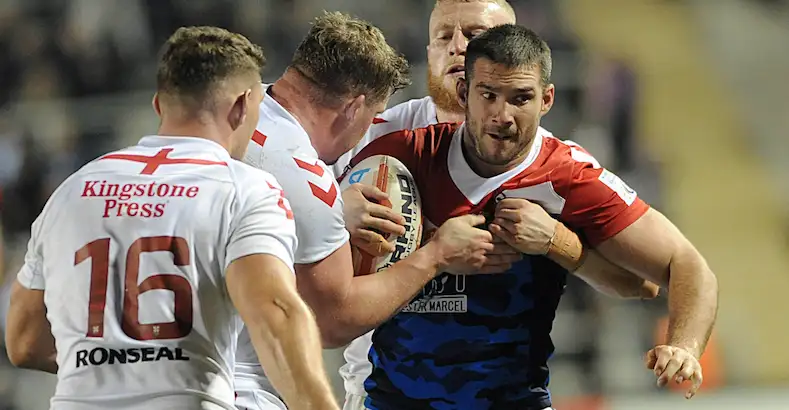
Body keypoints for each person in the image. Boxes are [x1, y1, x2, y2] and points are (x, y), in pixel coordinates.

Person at [338, 24, 719, 410]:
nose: (503, 115)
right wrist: (340, 210)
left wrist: (684, 346)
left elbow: (685, 265)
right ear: (463, 93)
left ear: (547, 99)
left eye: (521, 98)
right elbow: (323, 288)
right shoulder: (397, 159)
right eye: (488, 95)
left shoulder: (568, 175)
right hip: (395, 402)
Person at [4, 26, 338, 410]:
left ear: (159, 105)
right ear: (242, 105)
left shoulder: (72, 189)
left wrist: (115, 370)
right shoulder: (243, 188)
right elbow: (275, 315)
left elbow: (24, 340)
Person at [236, 11, 521, 410]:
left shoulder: (236, 111)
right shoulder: (308, 175)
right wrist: (436, 256)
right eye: (369, 120)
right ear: (354, 109)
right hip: (238, 384)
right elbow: (333, 319)